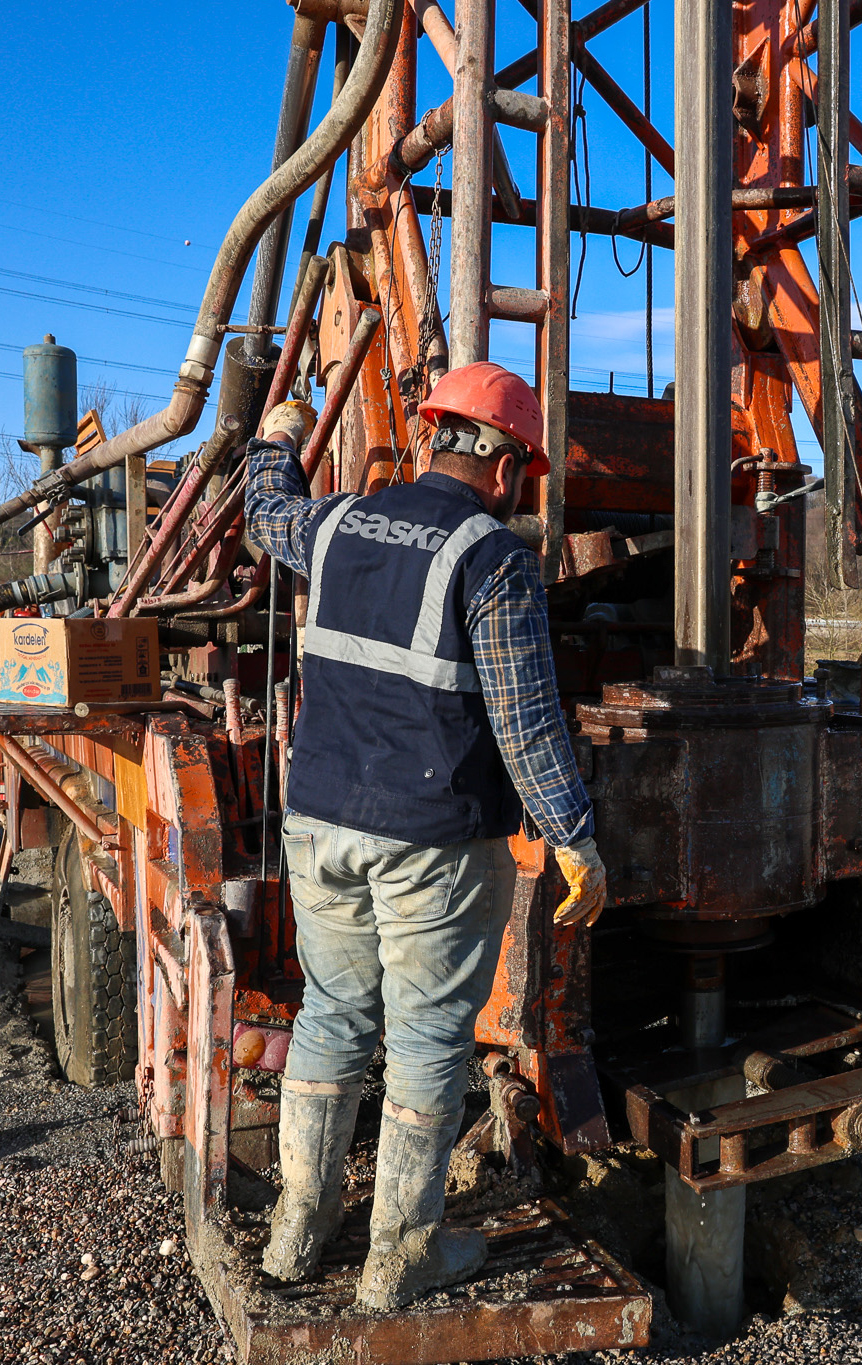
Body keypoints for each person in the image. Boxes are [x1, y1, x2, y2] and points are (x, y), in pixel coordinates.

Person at [243, 363, 606, 1311]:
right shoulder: (494, 557)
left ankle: (295, 1234)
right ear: (510, 469)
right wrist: (574, 838)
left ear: (431, 434)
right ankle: (398, 1255)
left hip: (318, 827)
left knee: (330, 1013)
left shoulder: (336, 523)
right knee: (427, 1040)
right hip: (431, 844)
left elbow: (265, 512)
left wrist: (277, 438)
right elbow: (528, 724)